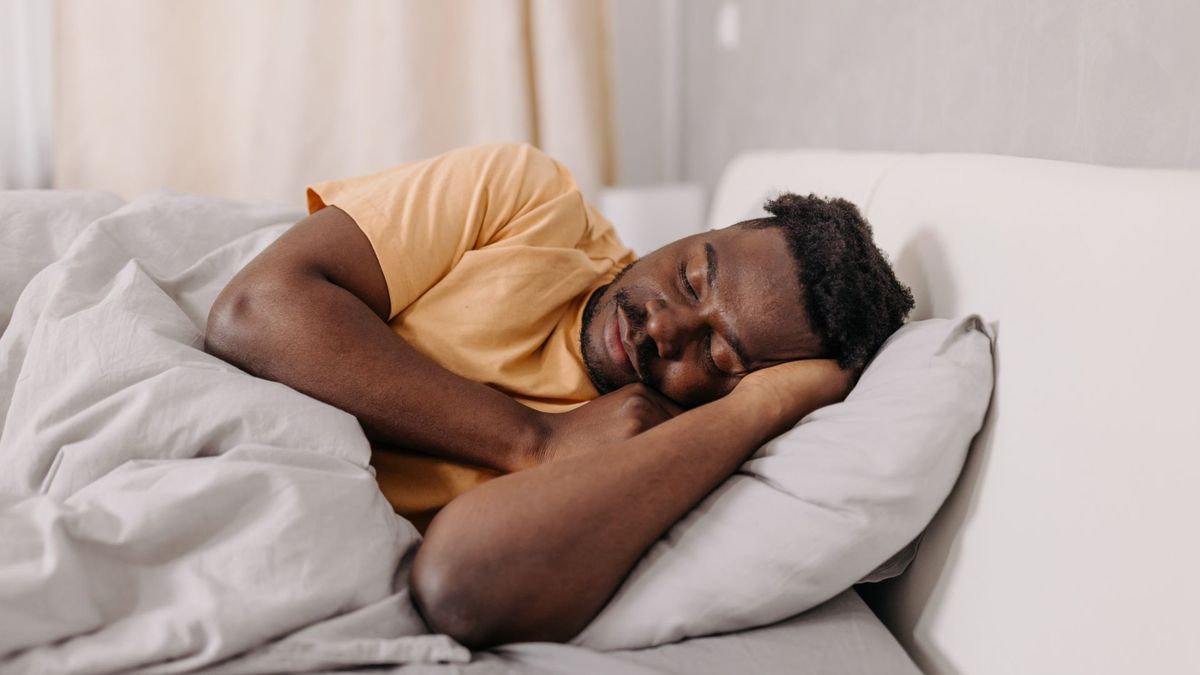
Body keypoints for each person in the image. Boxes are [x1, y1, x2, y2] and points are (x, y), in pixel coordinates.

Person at [204, 143, 914, 648]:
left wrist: (755, 409)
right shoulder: (527, 199)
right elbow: (255, 309)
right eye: (695, 277)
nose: (663, 327)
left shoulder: (657, 448)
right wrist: (533, 439)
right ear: (702, 230)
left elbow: (460, 585)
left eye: (720, 355)